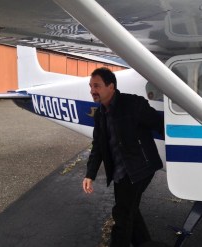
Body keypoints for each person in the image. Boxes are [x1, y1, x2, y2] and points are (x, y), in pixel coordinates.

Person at [82, 67, 164, 247]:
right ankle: (145, 243)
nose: (92, 91)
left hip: (140, 168)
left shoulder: (134, 104)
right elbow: (98, 147)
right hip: (120, 173)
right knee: (130, 211)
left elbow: (160, 126)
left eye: (97, 86)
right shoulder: (101, 114)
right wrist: (90, 174)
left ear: (111, 86)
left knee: (122, 214)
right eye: (91, 86)